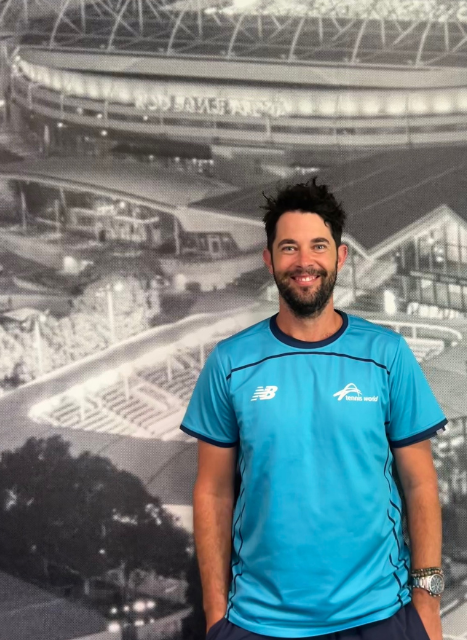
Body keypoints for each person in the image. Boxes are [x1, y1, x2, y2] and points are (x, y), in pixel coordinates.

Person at [181, 178, 448, 640]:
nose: (304, 262)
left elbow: (420, 483)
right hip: (258, 623)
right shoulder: (230, 362)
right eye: (289, 248)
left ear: (340, 257)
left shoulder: (387, 355)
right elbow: (213, 492)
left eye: (318, 246)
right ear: (269, 260)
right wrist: (215, 614)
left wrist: (428, 603)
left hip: (381, 617)